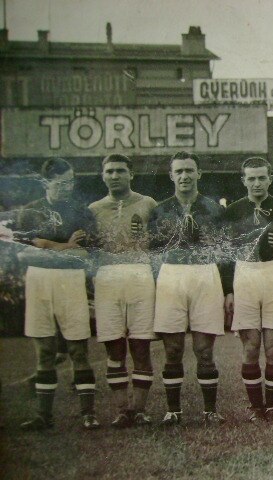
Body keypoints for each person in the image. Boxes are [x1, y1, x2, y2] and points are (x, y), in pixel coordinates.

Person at [15, 158, 99, 430]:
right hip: (39, 281)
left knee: (77, 347)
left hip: (71, 281)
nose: (66, 188)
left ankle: (88, 414)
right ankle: (43, 416)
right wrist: (64, 246)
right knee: (45, 350)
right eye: (60, 183)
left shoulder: (81, 211)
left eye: (70, 182)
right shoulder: (29, 212)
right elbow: (24, 252)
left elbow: (84, 253)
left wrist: (46, 247)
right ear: (46, 182)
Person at [149, 151, 230, 425]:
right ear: (171, 176)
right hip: (171, 275)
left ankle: (210, 411)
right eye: (179, 171)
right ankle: (173, 411)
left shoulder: (215, 209)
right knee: (172, 349)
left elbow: (226, 253)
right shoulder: (159, 209)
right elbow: (151, 252)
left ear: (199, 174)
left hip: (206, 274)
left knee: (204, 350)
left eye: (189, 170)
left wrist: (228, 289)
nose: (184, 176)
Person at [89, 154, 157, 427]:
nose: (115, 176)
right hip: (107, 277)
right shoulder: (93, 209)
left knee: (141, 346)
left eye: (120, 171)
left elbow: (159, 244)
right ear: (103, 176)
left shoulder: (148, 204)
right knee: (114, 348)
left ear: (131, 174)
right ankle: (121, 410)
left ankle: (139, 410)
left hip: (140, 275)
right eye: (109, 171)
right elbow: (89, 251)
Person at [225, 157, 273, 422]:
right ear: (243, 181)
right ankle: (255, 407)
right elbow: (226, 254)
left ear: (270, 179)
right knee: (250, 346)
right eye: (251, 178)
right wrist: (228, 289)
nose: (257, 183)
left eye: (262, 177)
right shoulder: (233, 210)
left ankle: (271, 407)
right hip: (245, 274)